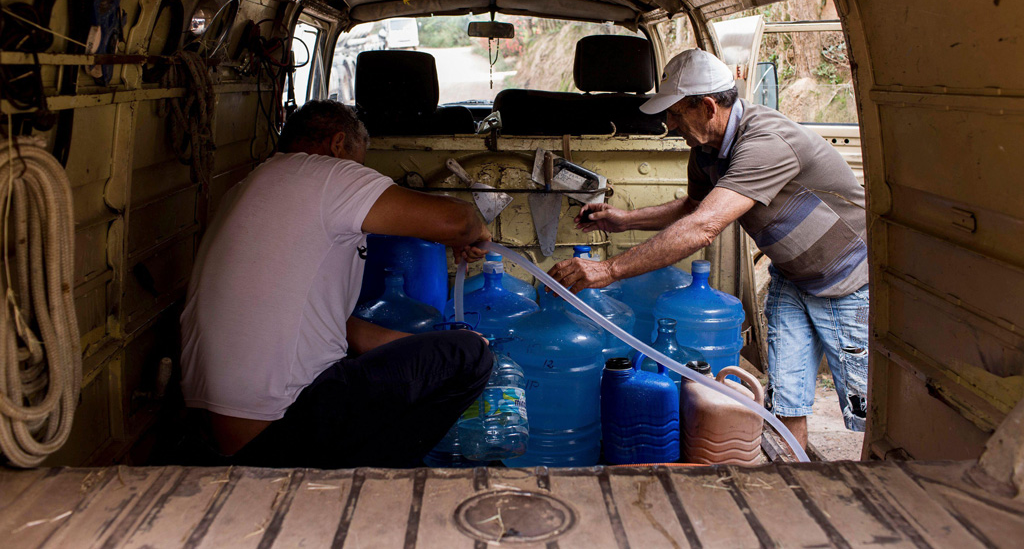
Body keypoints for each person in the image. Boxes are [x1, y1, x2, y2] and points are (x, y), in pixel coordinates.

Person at [549, 49, 869, 449]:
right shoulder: (706, 150)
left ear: (707, 106)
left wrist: (609, 270)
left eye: (676, 113)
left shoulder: (764, 142)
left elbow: (704, 226)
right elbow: (693, 208)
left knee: (867, 407)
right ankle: (793, 480)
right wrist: (625, 219)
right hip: (792, 277)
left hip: (847, 280)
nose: (669, 124)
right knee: (787, 399)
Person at [179, 99, 493, 468]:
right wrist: (475, 231)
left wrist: (419, 349)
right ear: (338, 144)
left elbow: (341, 328)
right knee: (469, 356)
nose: (362, 173)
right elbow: (457, 222)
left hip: (213, 434)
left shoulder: (245, 188)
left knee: (447, 353)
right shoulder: (327, 174)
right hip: (281, 429)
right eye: (360, 162)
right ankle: (378, 479)